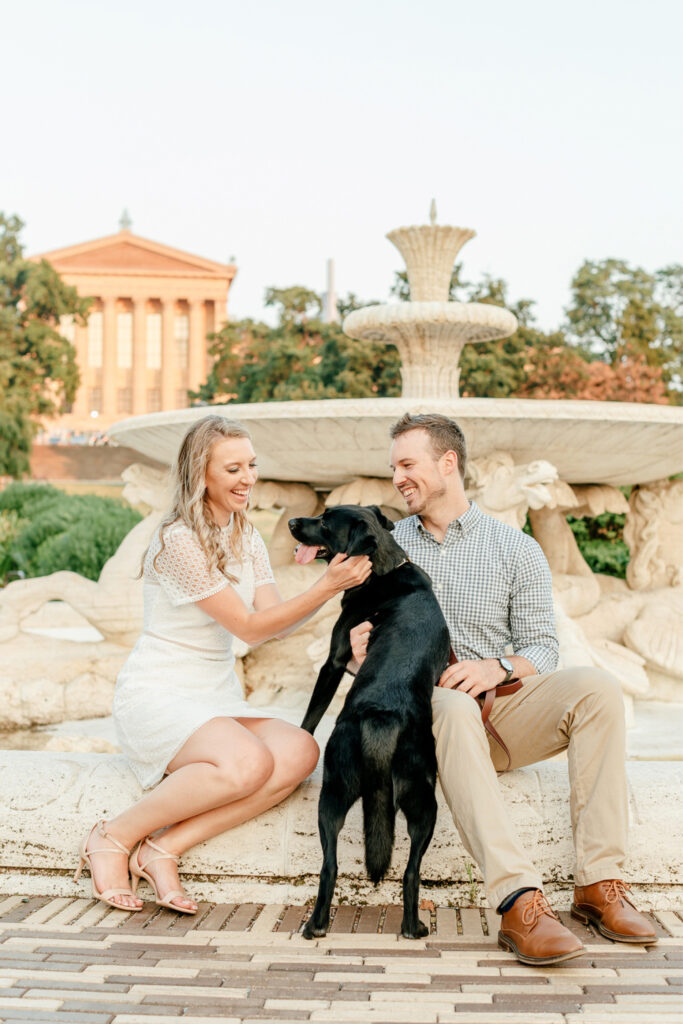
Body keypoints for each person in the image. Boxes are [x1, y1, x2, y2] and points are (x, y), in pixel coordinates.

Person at [349, 412, 656, 965]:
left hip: (498, 714)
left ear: (448, 464)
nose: (397, 477)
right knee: (448, 702)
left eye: (407, 464)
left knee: (598, 688)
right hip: (420, 723)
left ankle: (597, 885)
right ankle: (519, 901)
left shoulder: (515, 547)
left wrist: (496, 667)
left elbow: (542, 647)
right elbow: (361, 655)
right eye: (393, 466)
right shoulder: (384, 550)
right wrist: (355, 657)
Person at [75, 415, 371, 913]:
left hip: (213, 697)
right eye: (233, 468)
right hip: (159, 694)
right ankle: (113, 835)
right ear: (201, 476)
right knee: (249, 762)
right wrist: (327, 586)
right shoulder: (177, 541)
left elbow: (273, 622)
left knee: (300, 751)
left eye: (252, 465)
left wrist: (336, 589)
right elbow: (249, 630)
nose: (248, 478)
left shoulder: (245, 533)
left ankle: (163, 848)